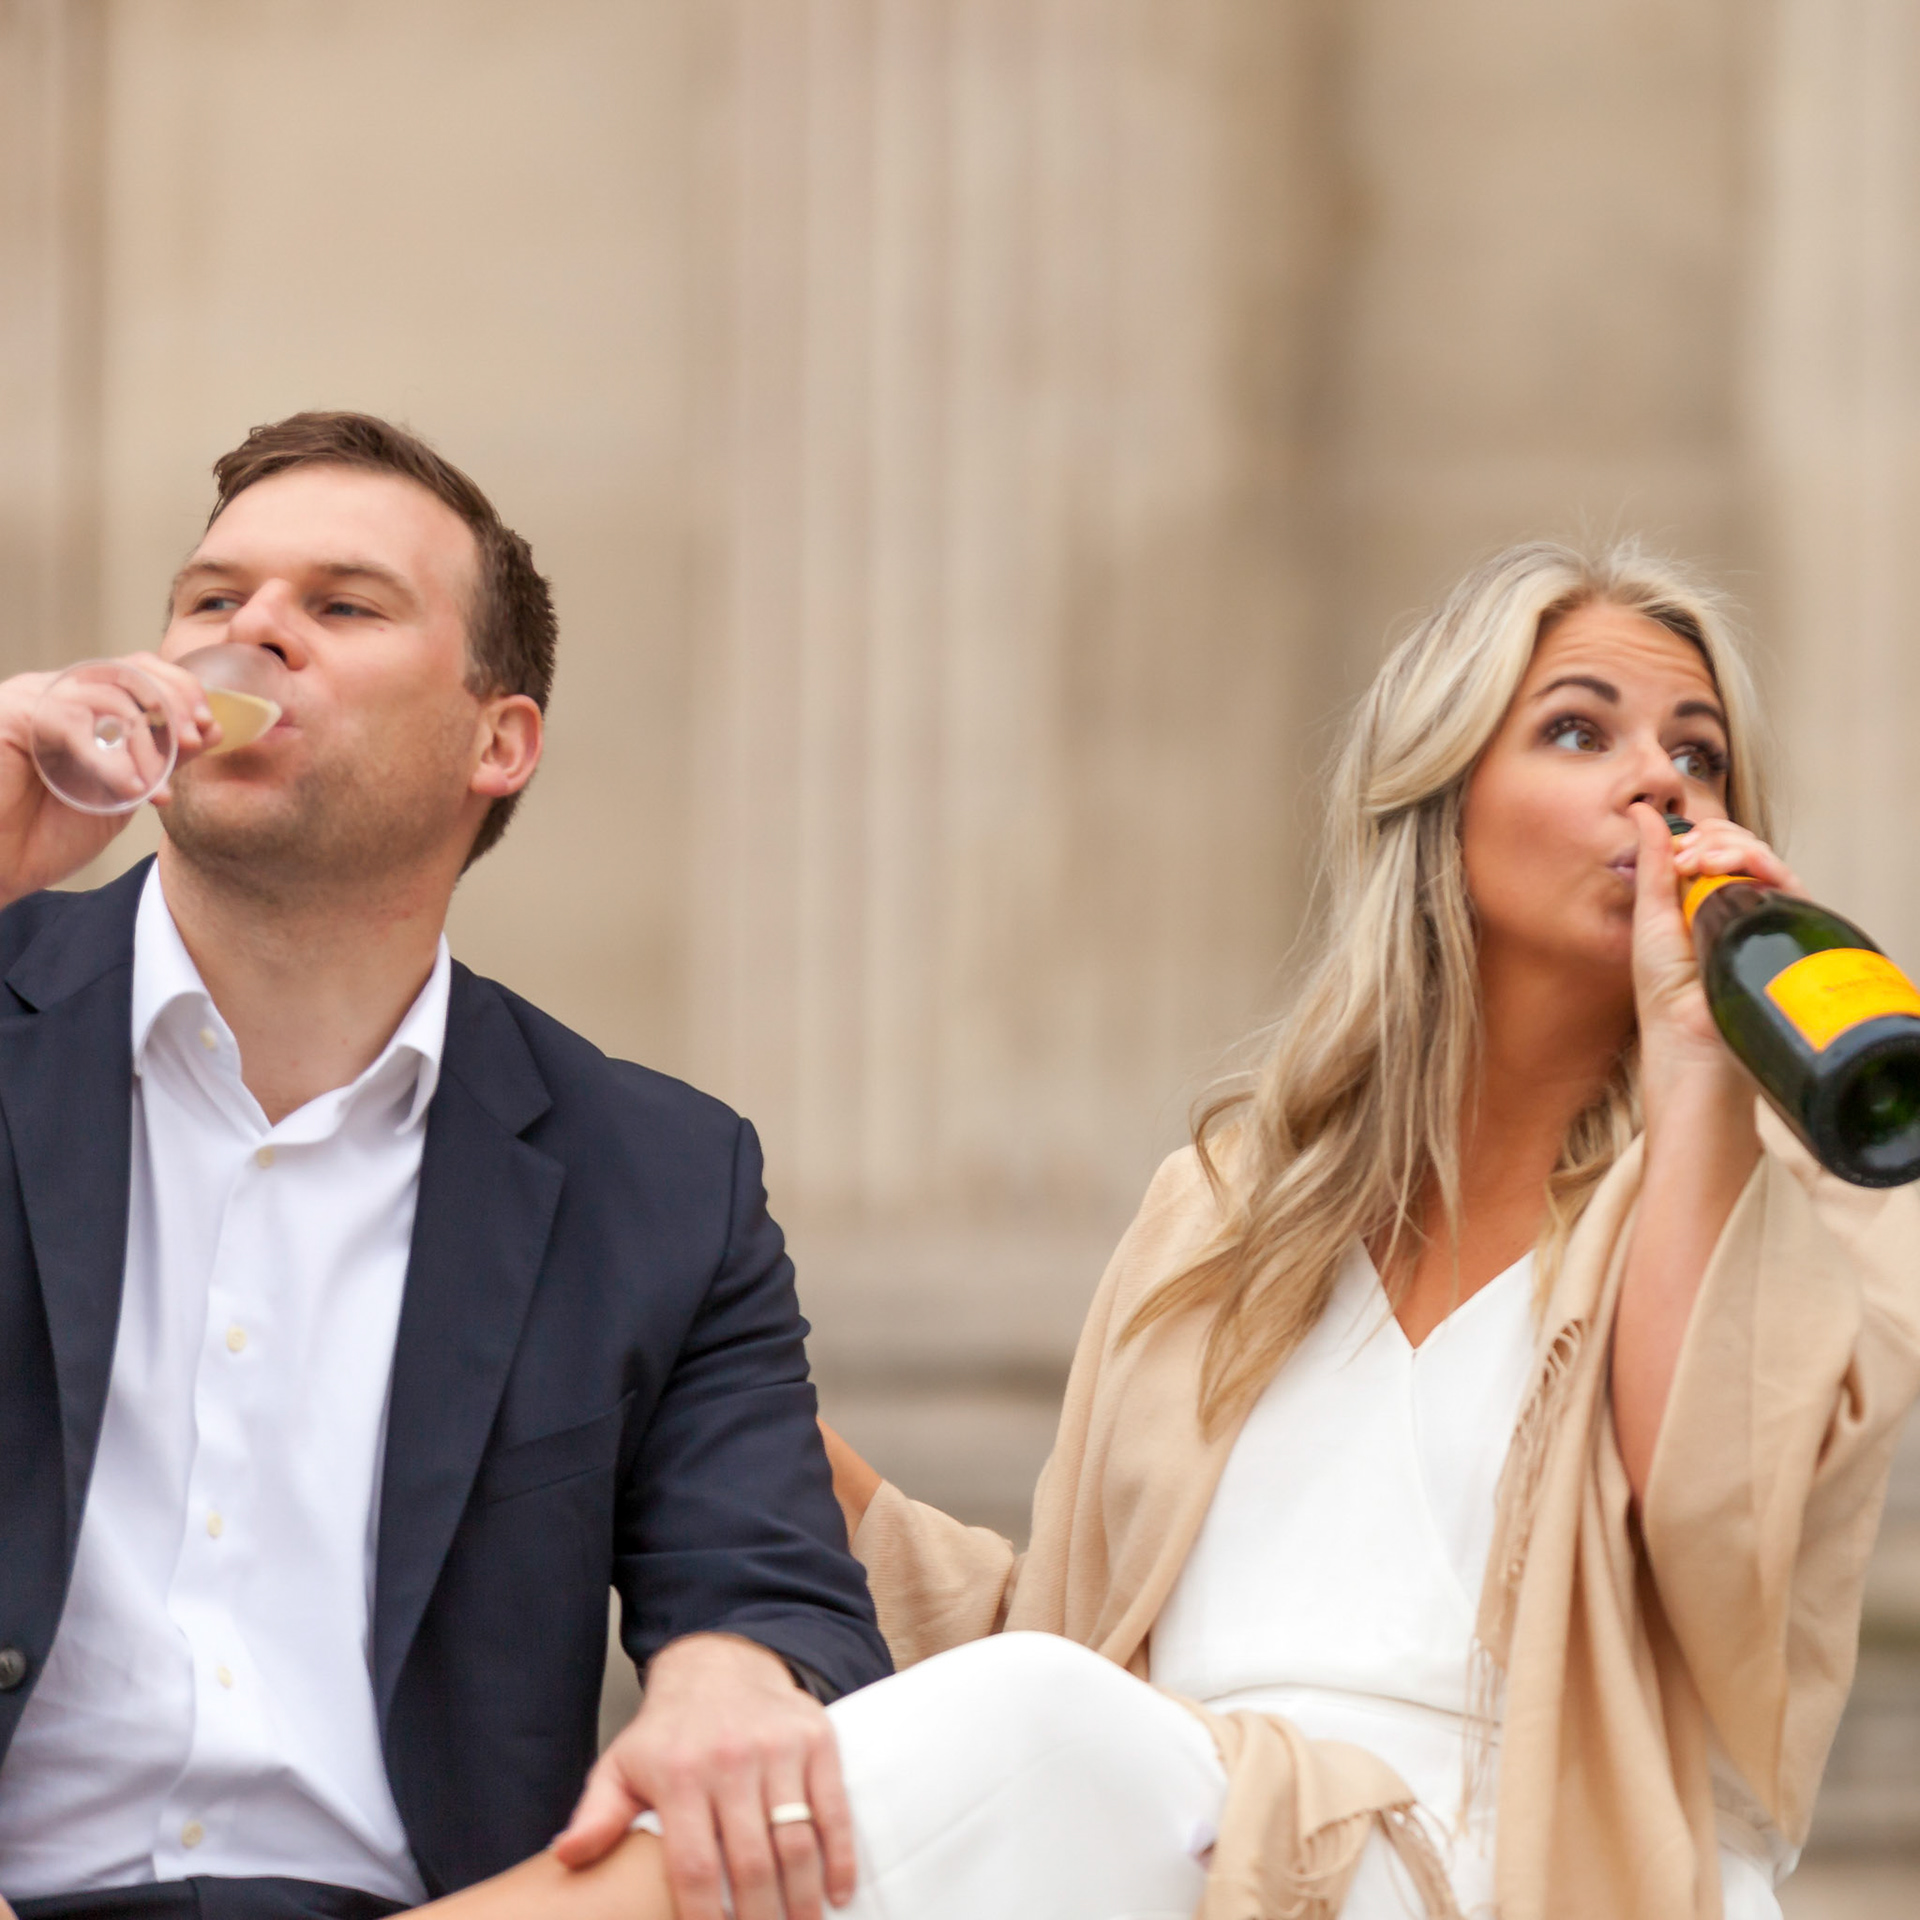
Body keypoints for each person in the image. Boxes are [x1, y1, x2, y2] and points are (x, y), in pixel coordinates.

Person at [395, 540, 1920, 1920]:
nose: (1661, 786)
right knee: (901, 1754)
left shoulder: (1805, 1200)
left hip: (1519, 1871)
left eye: (1700, 758)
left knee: (1039, 1739)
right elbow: (1057, 1631)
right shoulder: (1235, 1207)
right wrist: (708, 1400)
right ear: (1442, 806)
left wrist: (1702, 1065)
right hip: (1177, 1842)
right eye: (1581, 731)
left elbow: (1715, 1541)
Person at [0, 412, 889, 1920]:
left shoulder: (660, 1177)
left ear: (500, 741)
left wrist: (726, 1677)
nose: (254, 630)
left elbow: (769, 1579)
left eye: (341, 607)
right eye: (214, 600)